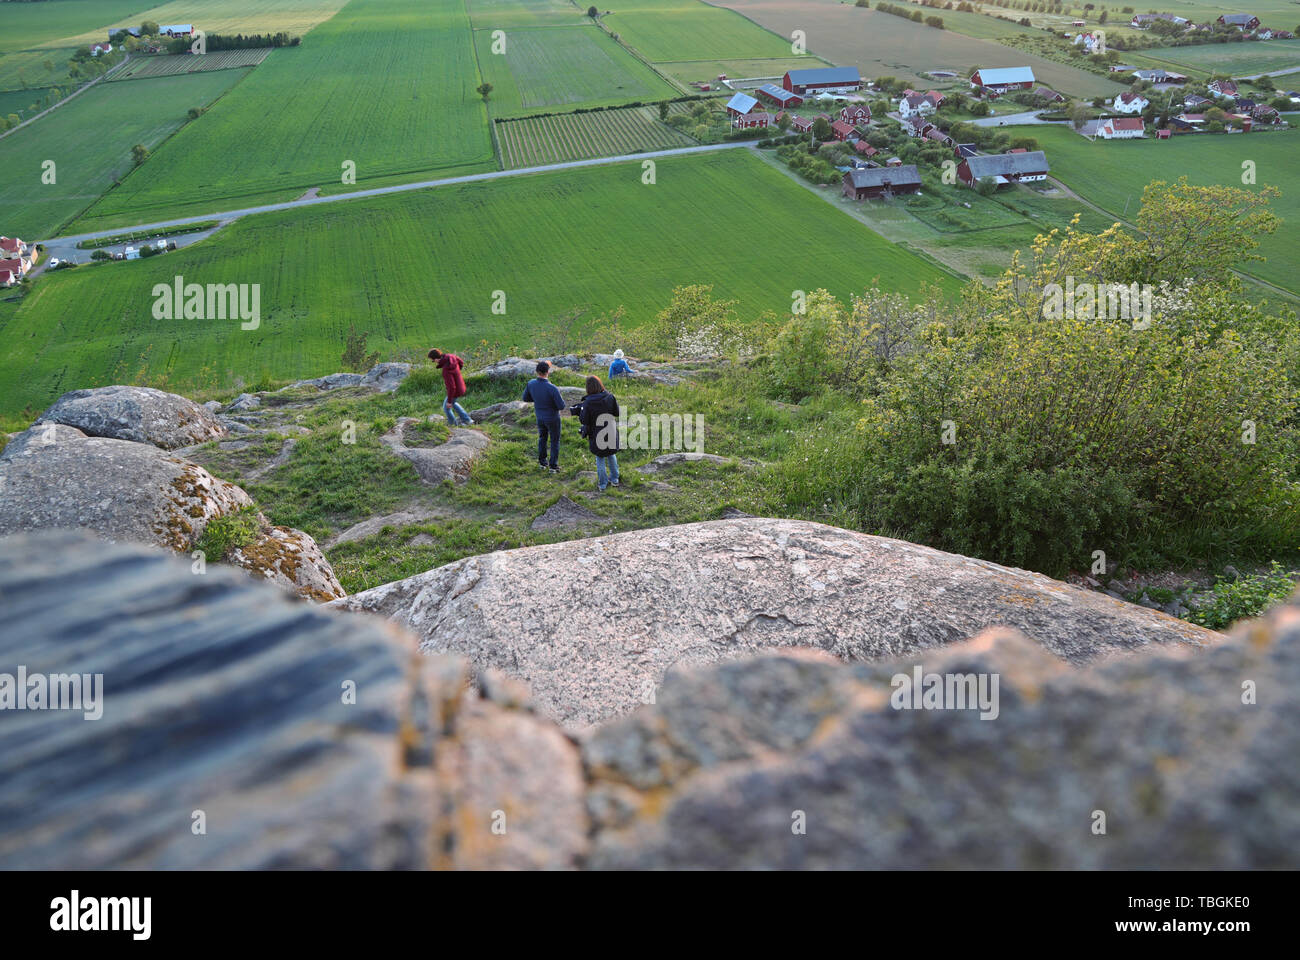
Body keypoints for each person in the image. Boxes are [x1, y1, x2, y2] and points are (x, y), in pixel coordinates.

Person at [571, 375, 620, 491]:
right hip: (610, 430)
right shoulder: (610, 397)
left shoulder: (587, 403)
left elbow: (584, 420)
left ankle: (602, 484)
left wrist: (580, 411)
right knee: (611, 454)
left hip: (597, 432)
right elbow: (617, 412)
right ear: (600, 384)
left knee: (600, 457)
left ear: (588, 388)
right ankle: (615, 479)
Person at [522, 360, 565, 471]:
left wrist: (537, 400)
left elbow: (525, 398)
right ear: (547, 372)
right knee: (554, 441)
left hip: (540, 417)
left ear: (537, 371)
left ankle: (542, 463)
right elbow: (561, 406)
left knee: (542, 438)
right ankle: (553, 466)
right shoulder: (552, 388)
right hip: (553, 418)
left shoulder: (531, 383)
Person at [428, 349, 473, 426]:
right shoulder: (451, 356)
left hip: (456, 390)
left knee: (447, 407)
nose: (434, 362)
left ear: (436, 359)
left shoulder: (446, 370)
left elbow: (452, 387)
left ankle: (453, 425)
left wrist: (449, 401)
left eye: (433, 360)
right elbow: (461, 362)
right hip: (461, 385)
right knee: (454, 403)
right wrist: (457, 374)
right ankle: (468, 420)